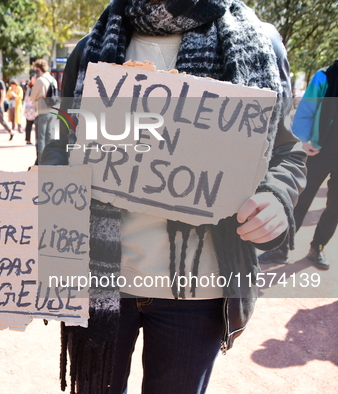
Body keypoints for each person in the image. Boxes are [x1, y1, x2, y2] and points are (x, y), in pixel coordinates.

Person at [40, 1, 307, 393]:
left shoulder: (256, 42)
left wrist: (276, 198)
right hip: (99, 281)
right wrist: (52, 177)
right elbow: (61, 140)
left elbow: (285, 152)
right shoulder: (90, 48)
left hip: (197, 291)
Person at [259, 60, 338, 270]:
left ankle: (317, 248)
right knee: (298, 199)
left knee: (335, 208)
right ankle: (281, 248)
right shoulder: (325, 76)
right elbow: (307, 109)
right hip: (317, 150)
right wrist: (302, 139)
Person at [30, 58, 58, 162]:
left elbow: (32, 96)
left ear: (38, 69)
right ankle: (49, 159)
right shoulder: (53, 79)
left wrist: (33, 83)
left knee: (40, 138)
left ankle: (41, 161)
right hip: (52, 111)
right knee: (49, 137)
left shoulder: (40, 80)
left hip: (42, 111)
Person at [23, 75, 37, 145]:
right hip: (30, 109)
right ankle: (28, 140)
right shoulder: (29, 87)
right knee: (29, 125)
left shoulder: (31, 87)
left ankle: (33, 140)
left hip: (33, 109)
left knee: (33, 125)